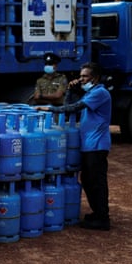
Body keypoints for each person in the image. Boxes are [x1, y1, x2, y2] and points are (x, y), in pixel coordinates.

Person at [35, 61, 111, 230]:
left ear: (96, 77)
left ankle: (103, 217)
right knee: (88, 180)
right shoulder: (90, 93)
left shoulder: (100, 93)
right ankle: (97, 213)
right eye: (81, 76)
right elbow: (70, 107)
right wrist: (70, 90)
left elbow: (74, 107)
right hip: (89, 144)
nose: (81, 79)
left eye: (85, 76)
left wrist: (49, 109)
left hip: (97, 145)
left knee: (96, 181)